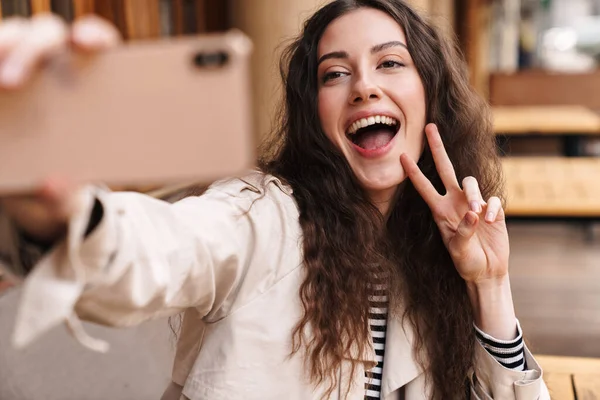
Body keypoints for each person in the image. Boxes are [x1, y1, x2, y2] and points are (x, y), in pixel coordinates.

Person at [0, 1, 550, 399]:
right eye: (335, 73)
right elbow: (166, 247)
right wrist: (67, 213)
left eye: (389, 62)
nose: (363, 85)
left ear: (429, 92)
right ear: (314, 112)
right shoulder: (260, 214)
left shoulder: (438, 247)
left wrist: (488, 284)